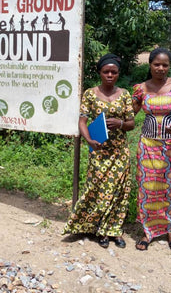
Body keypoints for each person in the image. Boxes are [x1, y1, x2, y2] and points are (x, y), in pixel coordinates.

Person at [63, 53, 135, 248]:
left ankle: (114, 230)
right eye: (106, 71)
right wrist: (89, 140)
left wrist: (120, 123)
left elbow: (131, 123)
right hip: (99, 150)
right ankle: (99, 229)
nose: (110, 75)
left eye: (114, 72)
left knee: (119, 192)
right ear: (100, 73)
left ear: (119, 73)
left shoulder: (125, 94)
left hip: (119, 151)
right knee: (98, 190)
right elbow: (82, 121)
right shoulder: (90, 94)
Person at [132, 47, 171, 252]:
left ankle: (169, 231)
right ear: (149, 65)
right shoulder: (141, 88)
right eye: (156, 64)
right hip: (148, 145)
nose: (160, 68)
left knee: (170, 189)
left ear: (169, 66)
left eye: (164, 65)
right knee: (148, 188)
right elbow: (129, 113)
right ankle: (147, 232)